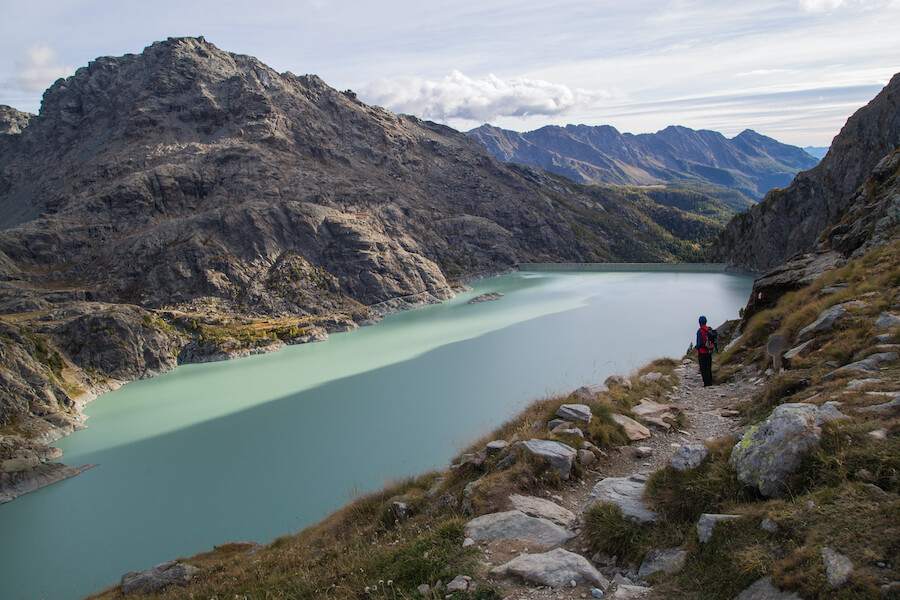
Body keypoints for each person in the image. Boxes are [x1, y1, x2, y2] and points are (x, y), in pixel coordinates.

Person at [696, 316, 714, 387]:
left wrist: (697, 347)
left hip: (702, 352)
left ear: (699, 322)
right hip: (709, 351)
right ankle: (710, 381)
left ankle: (706, 383)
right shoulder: (710, 329)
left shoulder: (700, 331)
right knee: (709, 367)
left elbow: (699, 343)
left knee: (703, 368)